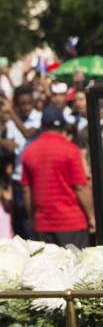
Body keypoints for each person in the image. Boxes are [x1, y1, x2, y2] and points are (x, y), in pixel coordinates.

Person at [20, 106, 94, 247]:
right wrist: (91, 216)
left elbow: (26, 190)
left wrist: (32, 218)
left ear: (42, 125)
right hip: (72, 222)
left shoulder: (29, 152)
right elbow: (81, 187)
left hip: (43, 224)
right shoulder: (71, 150)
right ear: (63, 126)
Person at [1, 85, 40, 238]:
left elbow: (28, 134)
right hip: (18, 178)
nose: (26, 107)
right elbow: (10, 148)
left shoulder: (38, 117)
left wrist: (11, 113)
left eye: (29, 103)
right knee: (21, 221)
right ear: (17, 103)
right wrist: (5, 144)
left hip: (34, 178)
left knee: (32, 218)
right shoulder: (11, 124)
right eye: (22, 104)